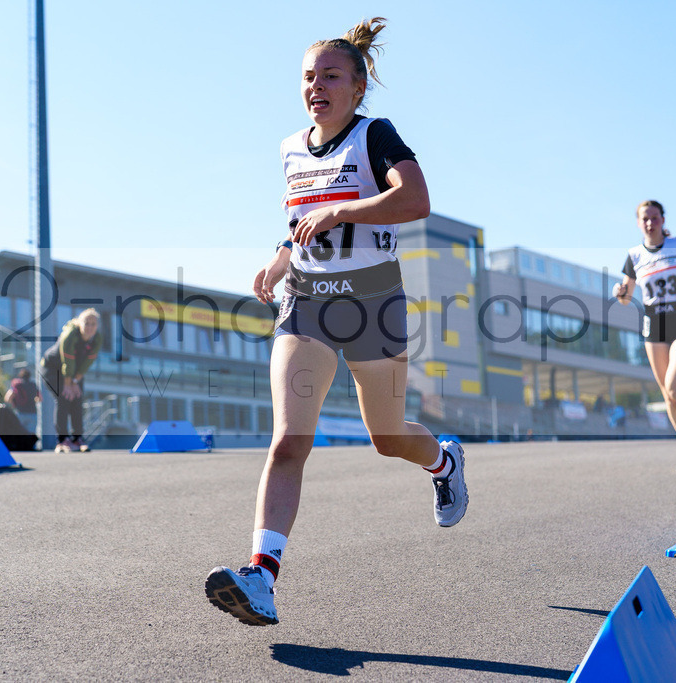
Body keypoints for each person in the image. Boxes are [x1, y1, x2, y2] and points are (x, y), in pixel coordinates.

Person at [204, 17, 467, 627]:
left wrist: (343, 211)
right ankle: (261, 577)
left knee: (387, 438)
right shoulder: (290, 148)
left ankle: (443, 463)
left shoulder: (374, 135)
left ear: (357, 86)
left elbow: (416, 200)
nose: (316, 86)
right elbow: (301, 218)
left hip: (375, 302)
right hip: (308, 305)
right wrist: (278, 260)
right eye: (308, 77)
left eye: (330, 76)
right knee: (289, 439)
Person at [613, 200, 676, 472]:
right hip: (654, 327)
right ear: (638, 223)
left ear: (663, 219)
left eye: (654, 217)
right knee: (668, 396)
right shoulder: (634, 256)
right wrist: (621, 293)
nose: (650, 223)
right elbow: (626, 298)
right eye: (645, 219)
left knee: (675, 387)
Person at [39, 308, 102, 453]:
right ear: (80, 323)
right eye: (86, 323)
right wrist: (68, 383)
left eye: (93, 324)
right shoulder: (70, 335)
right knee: (63, 398)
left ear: (97, 326)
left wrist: (75, 381)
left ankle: (78, 439)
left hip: (73, 372)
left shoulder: (97, 338)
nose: (90, 327)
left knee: (77, 399)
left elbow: (87, 362)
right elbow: (68, 361)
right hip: (52, 368)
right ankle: (62, 441)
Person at [4, 367, 42, 436]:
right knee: (31, 436)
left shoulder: (17, 385)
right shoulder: (33, 385)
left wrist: (14, 403)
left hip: (20, 413)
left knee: (19, 435)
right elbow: (40, 399)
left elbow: (8, 398)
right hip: (32, 413)